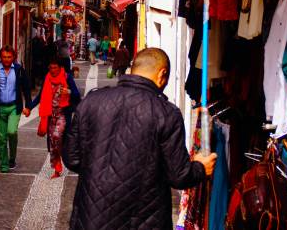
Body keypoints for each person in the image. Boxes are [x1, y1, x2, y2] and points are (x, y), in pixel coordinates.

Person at [63, 48, 217, 229]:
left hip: (90, 218)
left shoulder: (91, 101)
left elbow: (72, 158)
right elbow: (179, 177)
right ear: (162, 74)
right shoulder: (166, 113)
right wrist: (200, 167)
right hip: (144, 221)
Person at [28, 60, 81, 178]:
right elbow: (40, 95)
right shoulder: (47, 78)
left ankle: (65, 158)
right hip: (50, 115)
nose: (53, 70)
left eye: (55, 68)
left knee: (57, 137)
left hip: (63, 114)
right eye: (51, 68)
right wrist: (29, 107)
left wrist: (68, 91)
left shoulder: (67, 78)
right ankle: (57, 169)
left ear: (60, 67)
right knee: (53, 143)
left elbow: (77, 95)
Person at [0, 46, 32, 173]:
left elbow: (26, 89)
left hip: (14, 107)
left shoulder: (19, 70)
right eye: (4, 57)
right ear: (0, 57)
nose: (6, 60)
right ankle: (4, 164)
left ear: (13, 57)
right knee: (1, 137)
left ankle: (12, 158)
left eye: (9, 57)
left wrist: (28, 106)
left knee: (11, 132)